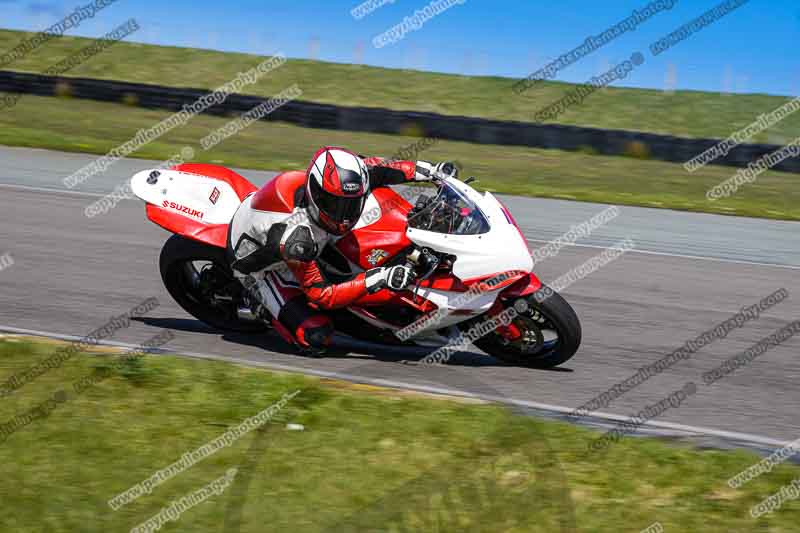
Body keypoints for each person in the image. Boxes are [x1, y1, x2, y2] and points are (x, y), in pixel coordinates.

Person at [227, 146, 458, 354]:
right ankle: (255, 302)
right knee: (315, 336)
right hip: (263, 267)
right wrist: (380, 276)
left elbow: (386, 168)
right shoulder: (297, 239)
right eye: (335, 205)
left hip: (310, 236)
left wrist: (434, 172)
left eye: (351, 204)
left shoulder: (348, 179)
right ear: (317, 195)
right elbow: (322, 294)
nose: (344, 214)